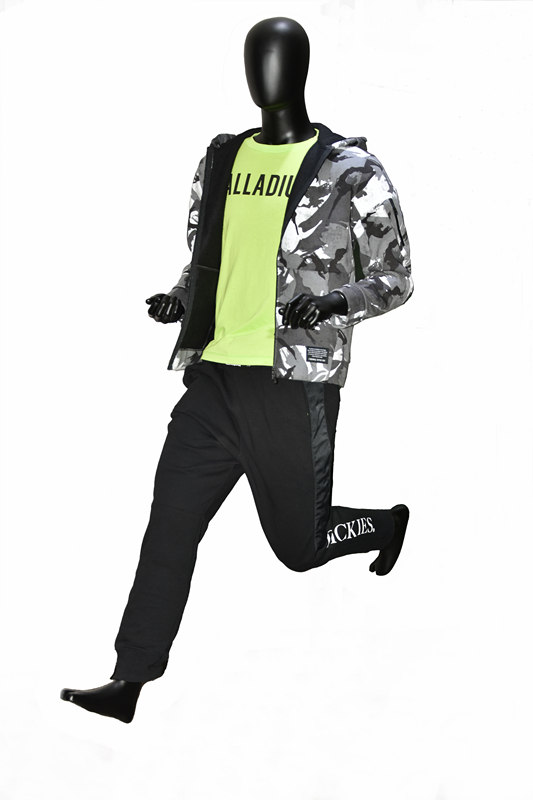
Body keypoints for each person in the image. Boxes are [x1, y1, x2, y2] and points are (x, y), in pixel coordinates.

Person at [60, 15, 413, 724]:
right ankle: (129, 680)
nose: (262, 73)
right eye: (254, 59)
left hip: (291, 385)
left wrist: (334, 302)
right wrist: (180, 297)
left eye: (275, 59)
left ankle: (382, 525)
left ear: (299, 69)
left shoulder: (352, 170)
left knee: (299, 547)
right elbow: (207, 258)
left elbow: (396, 277)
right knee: (169, 525)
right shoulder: (221, 158)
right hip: (214, 378)